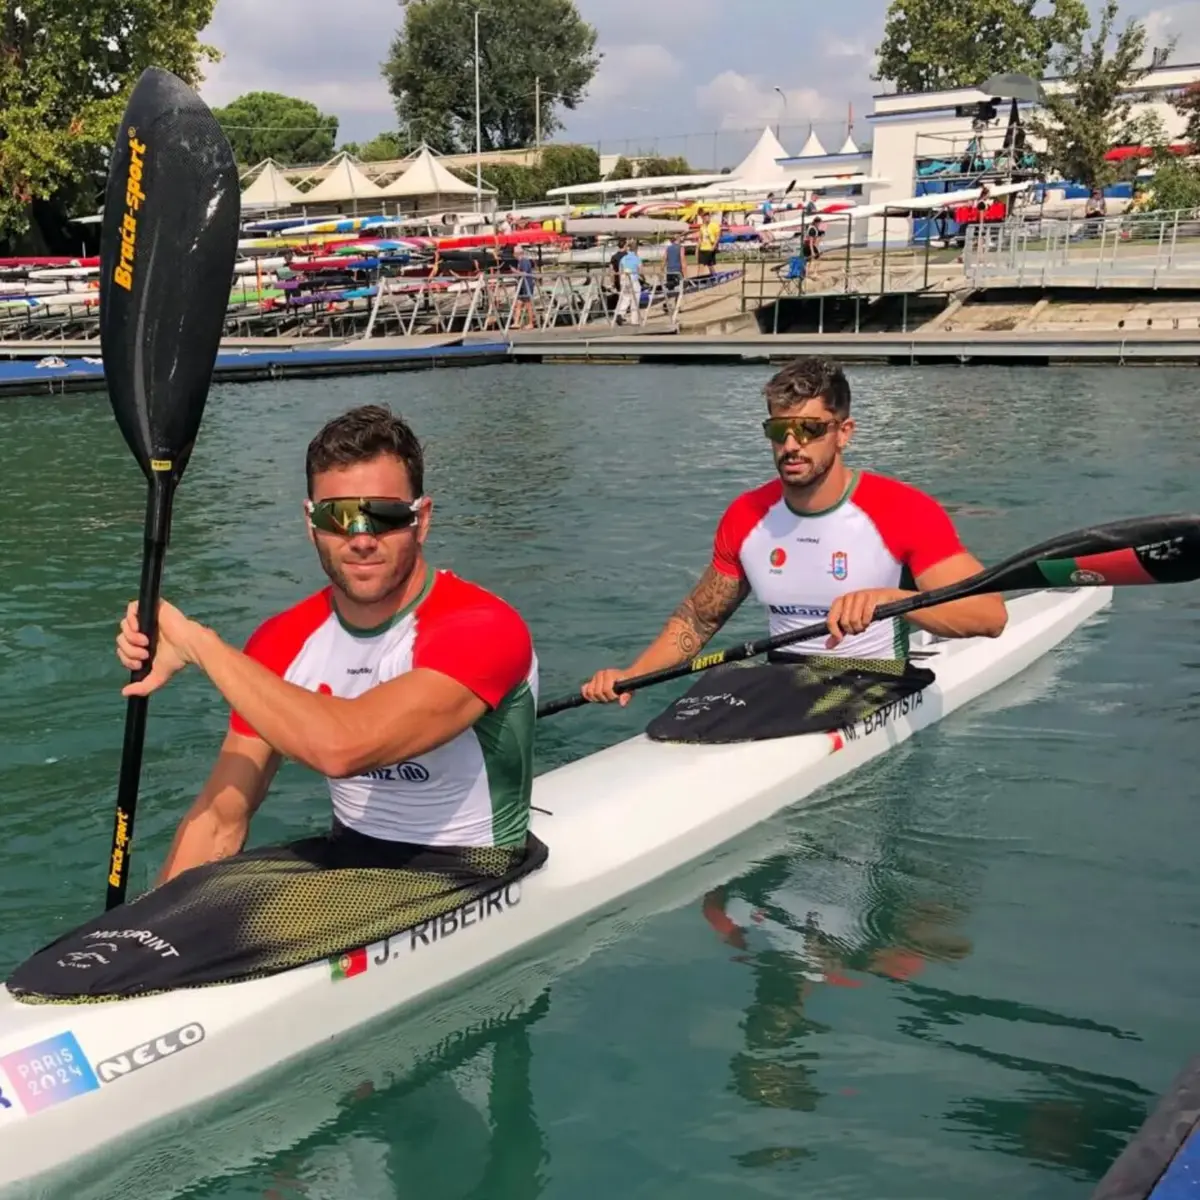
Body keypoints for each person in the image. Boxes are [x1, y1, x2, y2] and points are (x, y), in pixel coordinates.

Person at [115, 404, 541, 877]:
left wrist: (199, 645)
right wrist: (142, 932)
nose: (361, 538)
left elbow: (342, 749)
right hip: (349, 861)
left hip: (471, 868)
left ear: (422, 519)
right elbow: (219, 822)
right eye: (339, 517)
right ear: (310, 520)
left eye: (383, 515)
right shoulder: (281, 640)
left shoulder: (483, 627)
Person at [581, 357, 1007, 705]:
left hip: (876, 678)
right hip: (783, 676)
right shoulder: (747, 515)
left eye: (810, 429)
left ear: (844, 433)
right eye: (779, 430)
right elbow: (699, 617)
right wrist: (633, 675)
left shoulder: (901, 510)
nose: (791, 445)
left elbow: (990, 615)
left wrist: (892, 601)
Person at [614, 239, 644, 326]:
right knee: (635, 300)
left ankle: (620, 313)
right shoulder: (636, 258)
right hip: (633, 279)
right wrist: (643, 278)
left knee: (625, 298)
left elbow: (620, 271)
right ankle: (634, 320)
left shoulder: (623, 259)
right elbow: (640, 270)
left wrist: (620, 282)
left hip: (623, 279)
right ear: (636, 249)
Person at [697, 210, 721, 276]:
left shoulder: (714, 225)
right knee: (701, 264)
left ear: (709, 217)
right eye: (704, 217)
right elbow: (700, 238)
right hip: (702, 248)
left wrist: (714, 246)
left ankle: (714, 275)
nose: (706, 218)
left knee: (709, 265)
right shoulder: (702, 227)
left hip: (710, 248)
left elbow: (718, 236)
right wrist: (697, 248)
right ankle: (699, 277)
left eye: (707, 216)